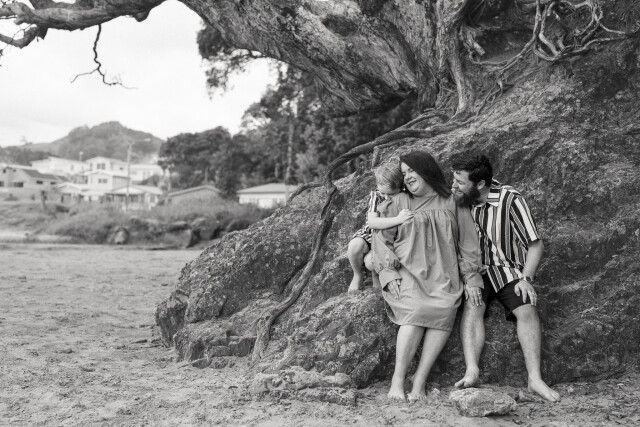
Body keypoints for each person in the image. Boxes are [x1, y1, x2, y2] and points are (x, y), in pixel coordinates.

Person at [369, 151, 483, 401]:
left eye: (412, 171)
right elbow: (381, 239)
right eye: (404, 173)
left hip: (443, 273)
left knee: (444, 310)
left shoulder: (452, 201)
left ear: (427, 170)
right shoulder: (399, 202)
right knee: (415, 312)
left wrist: (471, 277)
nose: (408, 177)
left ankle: (419, 381)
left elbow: (467, 242)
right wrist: (387, 272)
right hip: (408, 271)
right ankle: (397, 381)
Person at [451, 154, 560, 403]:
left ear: (480, 184)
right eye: (454, 179)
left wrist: (526, 279)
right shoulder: (458, 199)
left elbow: (535, 244)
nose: (454, 185)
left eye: (460, 181)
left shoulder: (510, 199)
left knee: (527, 307)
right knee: (473, 304)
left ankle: (535, 379)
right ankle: (472, 371)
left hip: (508, 268)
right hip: (475, 270)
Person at [347, 163, 414, 292]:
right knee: (354, 245)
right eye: (383, 193)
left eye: (391, 194)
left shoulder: (404, 196)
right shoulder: (377, 195)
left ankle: (375, 275)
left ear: (401, 188)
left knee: (372, 261)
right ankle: (357, 274)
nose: (386, 198)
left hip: (388, 239)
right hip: (371, 235)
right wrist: (398, 219)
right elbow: (372, 222)